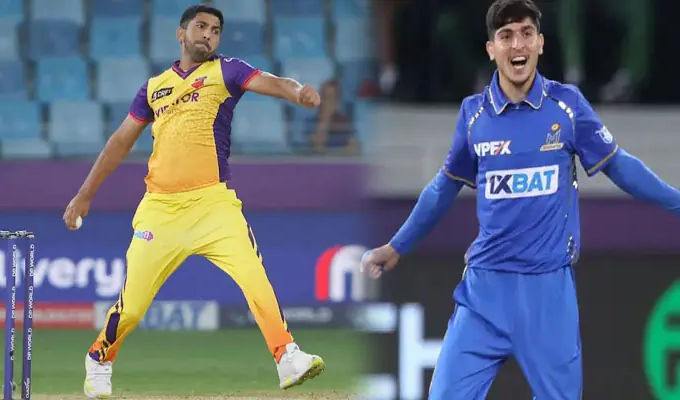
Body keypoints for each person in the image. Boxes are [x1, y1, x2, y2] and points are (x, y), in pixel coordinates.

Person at [360, 0, 680, 399]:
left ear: (540, 43)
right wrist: (396, 246)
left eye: (527, 34)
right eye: (506, 35)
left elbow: (619, 166)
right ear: (491, 49)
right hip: (484, 292)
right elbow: (443, 187)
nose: (518, 45)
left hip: (547, 294)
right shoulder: (474, 115)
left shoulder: (567, 106)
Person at [62, 5, 324, 398]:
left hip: (213, 205)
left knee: (254, 277)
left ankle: (287, 356)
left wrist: (298, 92)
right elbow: (119, 142)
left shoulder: (227, 71)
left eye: (215, 30)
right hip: (161, 209)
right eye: (201, 27)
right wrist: (85, 194)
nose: (208, 35)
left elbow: (274, 81)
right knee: (132, 307)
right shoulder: (154, 88)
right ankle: (99, 359)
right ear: (181, 33)